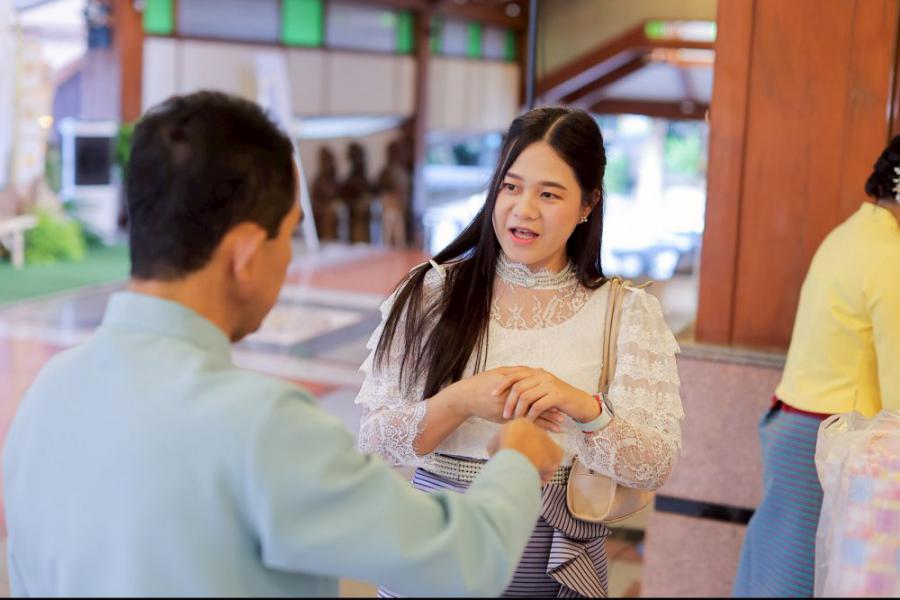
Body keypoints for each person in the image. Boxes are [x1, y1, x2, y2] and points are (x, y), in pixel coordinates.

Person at [2, 91, 565, 597]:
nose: (290, 257)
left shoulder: (49, 393)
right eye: (289, 233)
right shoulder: (263, 427)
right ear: (247, 253)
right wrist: (518, 460)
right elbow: (465, 563)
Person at [356, 107, 685, 598]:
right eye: (511, 187)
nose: (523, 209)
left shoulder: (626, 312)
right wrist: (462, 399)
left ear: (588, 203)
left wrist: (582, 405)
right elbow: (375, 442)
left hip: (552, 560)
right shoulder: (431, 293)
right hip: (437, 550)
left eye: (549, 194)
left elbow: (654, 466)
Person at [733, 136, 900, 597]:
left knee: (771, 569)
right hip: (828, 436)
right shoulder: (890, 256)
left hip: (797, 424)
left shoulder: (851, 234)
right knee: (796, 580)